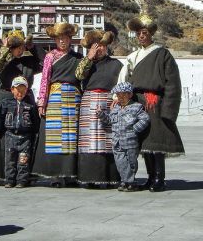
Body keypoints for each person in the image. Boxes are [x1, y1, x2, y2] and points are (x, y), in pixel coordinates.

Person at [118, 14, 185, 192]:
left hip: (154, 102)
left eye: (145, 32)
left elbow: (173, 83)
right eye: (139, 33)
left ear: (151, 34)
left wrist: (168, 110)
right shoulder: (134, 56)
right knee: (144, 143)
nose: (142, 35)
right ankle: (149, 178)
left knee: (155, 143)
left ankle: (159, 178)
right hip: (138, 103)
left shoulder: (162, 53)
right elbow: (126, 80)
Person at [0, 30, 44, 184]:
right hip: (6, 96)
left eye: (22, 47)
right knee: (0, 132)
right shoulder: (5, 59)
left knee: (30, 133)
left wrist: (33, 47)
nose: (20, 50)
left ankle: (27, 171)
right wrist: (5, 47)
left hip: (26, 97)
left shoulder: (29, 60)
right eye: (17, 47)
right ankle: (0, 171)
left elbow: (45, 62)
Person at [32, 22, 83, 187]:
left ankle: (70, 174)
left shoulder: (77, 58)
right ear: (55, 40)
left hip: (73, 99)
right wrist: (42, 102)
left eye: (65, 38)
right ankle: (55, 175)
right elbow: (45, 79)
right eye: (59, 38)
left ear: (70, 39)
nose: (62, 41)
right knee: (55, 137)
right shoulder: (50, 57)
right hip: (55, 98)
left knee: (71, 137)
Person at [75, 29, 123, 187]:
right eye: (96, 46)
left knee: (108, 141)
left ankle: (110, 178)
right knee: (89, 142)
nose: (100, 48)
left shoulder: (116, 65)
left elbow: (123, 84)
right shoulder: (86, 63)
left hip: (109, 103)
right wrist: (89, 58)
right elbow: (78, 76)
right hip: (88, 103)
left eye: (102, 45)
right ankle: (89, 178)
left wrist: (117, 98)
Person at [97, 82, 150, 192]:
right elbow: (110, 120)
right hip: (117, 142)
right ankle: (128, 181)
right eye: (118, 95)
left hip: (130, 142)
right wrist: (101, 115)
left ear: (129, 95)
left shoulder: (136, 107)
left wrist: (135, 129)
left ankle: (128, 181)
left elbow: (145, 119)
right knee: (120, 162)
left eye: (122, 95)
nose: (120, 97)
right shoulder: (115, 108)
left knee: (131, 163)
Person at [0, 76, 39, 188]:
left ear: (27, 91)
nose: (20, 93)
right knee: (10, 160)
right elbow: (0, 118)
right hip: (10, 135)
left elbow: (35, 120)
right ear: (12, 89)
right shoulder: (6, 103)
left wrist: (35, 132)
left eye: (23, 90)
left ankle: (22, 180)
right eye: (18, 90)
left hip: (25, 137)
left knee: (23, 160)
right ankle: (9, 180)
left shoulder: (30, 105)